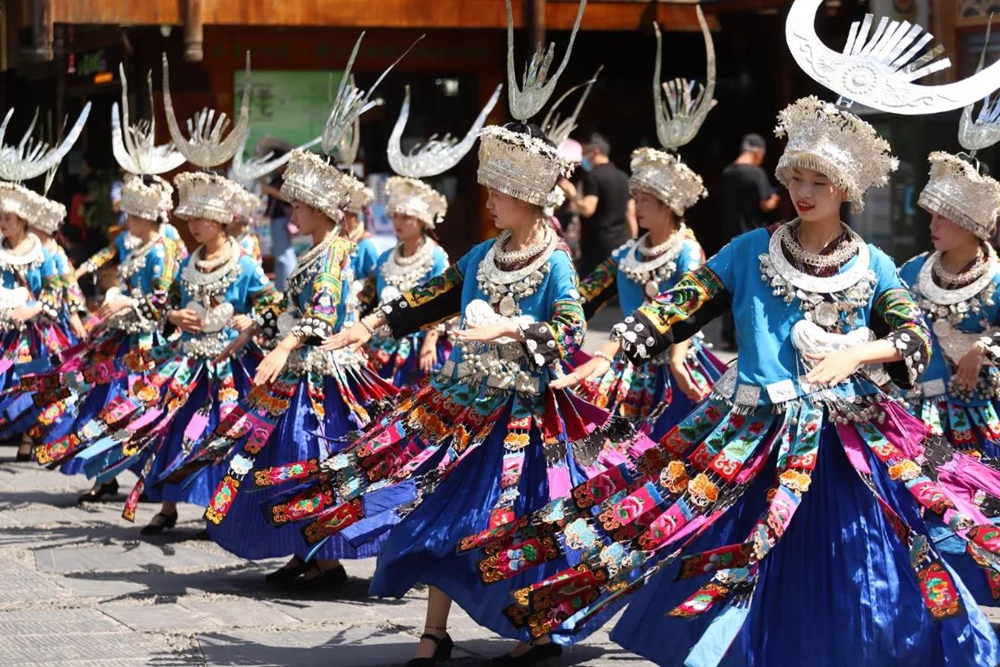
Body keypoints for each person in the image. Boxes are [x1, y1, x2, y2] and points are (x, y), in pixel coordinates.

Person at [473, 96, 1000, 665]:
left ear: (844, 187)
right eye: (795, 177)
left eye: (818, 181)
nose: (803, 191)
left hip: (841, 442)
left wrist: (859, 354)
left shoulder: (871, 263)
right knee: (733, 553)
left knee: (853, 561)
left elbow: (913, 336)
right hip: (754, 437)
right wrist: (616, 350)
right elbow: (680, 305)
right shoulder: (751, 251)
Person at [172, 150, 398, 589]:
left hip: (322, 374)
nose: (291, 211)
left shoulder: (332, 254)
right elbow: (288, 303)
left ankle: (326, 562)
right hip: (303, 371)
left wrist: (281, 349)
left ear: (316, 210)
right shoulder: (316, 249)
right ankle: (306, 551)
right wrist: (254, 328)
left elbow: (321, 315)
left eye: (295, 205)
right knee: (290, 458)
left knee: (311, 456)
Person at [32, 175, 181, 503]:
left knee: (139, 407)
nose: (127, 220)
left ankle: (148, 478)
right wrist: (85, 273)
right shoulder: (134, 245)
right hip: (121, 337)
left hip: (147, 345)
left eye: (131, 214)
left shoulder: (165, 250)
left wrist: (126, 302)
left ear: (145, 216)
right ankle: (105, 475)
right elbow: (106, 256)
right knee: (103, 403)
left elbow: (164, 300)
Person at [898, 150, 1000, 606]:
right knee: (928, 502)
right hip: (921, 414)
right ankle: (937, 594)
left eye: (945, 216)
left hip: (983, 414)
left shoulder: (997, 280)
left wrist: (987, 347)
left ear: (971, 224)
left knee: (984, 503)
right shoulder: (910, 272)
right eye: (932, 214)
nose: (932, 224)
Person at [575, 148, 726, 440]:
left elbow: (690, 307)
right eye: (636, 199)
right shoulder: (628, 253)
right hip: (629, 359)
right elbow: (585, 293)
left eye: (645, 200)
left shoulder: (687, 250)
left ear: (667, 205)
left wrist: (677, 359)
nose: (637, 206)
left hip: (677, 357)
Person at [362, 177, 451, 388]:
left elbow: (443, 302)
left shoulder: (436, 258)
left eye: (405, 217)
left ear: (421, 220)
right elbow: (367, 297)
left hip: (419, 347)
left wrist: (430, 340)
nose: (397, 222)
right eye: (395, 216)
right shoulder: (384, 259)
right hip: (383, 345)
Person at [0, 183, 66, 461]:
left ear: (23, 221)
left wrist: (31, 309)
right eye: (0, 217)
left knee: (34, 386)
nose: (2, 223)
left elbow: (54, 294)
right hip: (4, 333)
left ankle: (30, 436)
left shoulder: (45, 255)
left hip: (35, 336)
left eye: (7, 218)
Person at [719, 133, 781, 350]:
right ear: (757, 153)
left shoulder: (727, 173)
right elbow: (766, 205)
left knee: (730, 284)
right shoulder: (756, 173)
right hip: (753, 237)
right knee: (752, 285)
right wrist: (775, 198)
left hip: (730, 235)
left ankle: (727, 336)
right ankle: (748, 334)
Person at [570, 132, 635, 276]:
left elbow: (588, 208)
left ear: (596, 151)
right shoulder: (624, 177)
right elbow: (630, 213)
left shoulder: (593, 176)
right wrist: (632, 244)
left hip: (598, 248)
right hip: (621, 245)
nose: (582, 158)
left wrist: (572, 194)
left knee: (590, 291)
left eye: (585, 152)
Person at [261, 157, 297, 290]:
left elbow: (289, 197)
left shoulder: (287, 179)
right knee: (280, 255)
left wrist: (270, 190)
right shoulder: (276, 178)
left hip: (282, 219)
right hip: (277, 219)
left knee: (284, 255)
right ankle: (281, 286)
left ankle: (287, 286)